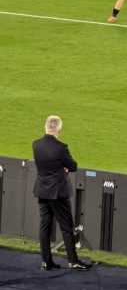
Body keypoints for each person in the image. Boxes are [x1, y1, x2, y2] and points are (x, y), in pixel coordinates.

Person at [33, 115, 91, 271]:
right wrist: (62, 168)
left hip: (42, 189)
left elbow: (45, 166)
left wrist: (59, 168)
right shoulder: (61, 148)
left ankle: (46, 261)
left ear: (46, 127)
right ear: (59, 129)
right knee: (66, 227)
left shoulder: (36, 145)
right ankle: (73, 261)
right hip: (58, 192)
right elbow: (73, 166)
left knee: (44, 226)